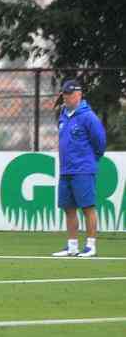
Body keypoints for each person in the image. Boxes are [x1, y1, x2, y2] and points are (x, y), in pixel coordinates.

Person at [52, 79, 106, 257]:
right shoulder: (63, 114)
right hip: (66, 169)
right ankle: (72, 245)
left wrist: (88, 161)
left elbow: (100, 143)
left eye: (69, 95)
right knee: (68, 208)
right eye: (64, 95)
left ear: (79, 95)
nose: (66, 98)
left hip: (83, 169)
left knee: (87, 207)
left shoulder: (88, 116)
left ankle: (91, 246)